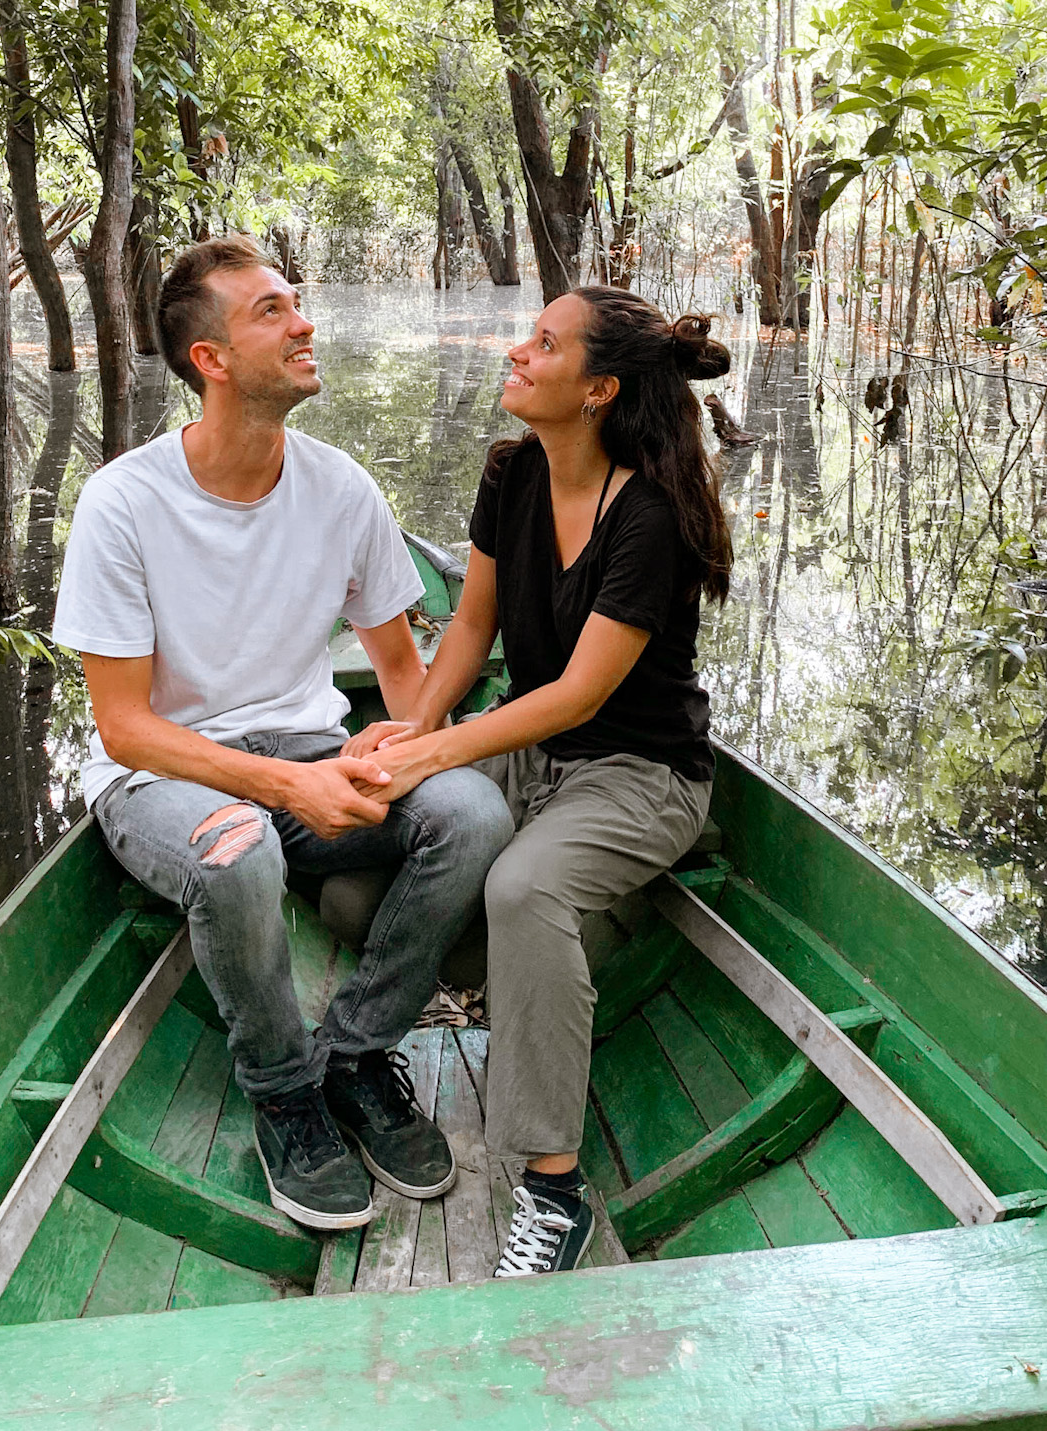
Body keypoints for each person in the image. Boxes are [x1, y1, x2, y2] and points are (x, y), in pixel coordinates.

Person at [52, 236, 514, 1233]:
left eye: (297, 302)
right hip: (169, 776)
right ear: (210, 359)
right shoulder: (123, 503)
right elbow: (124, 726)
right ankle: (283, 1089)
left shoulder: (339, 485)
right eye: (272, 310)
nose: (305, 322)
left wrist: (404, 747)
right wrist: (280, 786)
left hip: (309, 750)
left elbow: (399, 671)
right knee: (237, 851)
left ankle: (354, 1053)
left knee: (473, 812)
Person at [346, 285, 732, 1276]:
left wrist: (433, 753)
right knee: (352, 883)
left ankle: (553, 1188)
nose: (518, 350)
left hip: (639, 770)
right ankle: (505, 986)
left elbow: (573, 693)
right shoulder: (511, 474)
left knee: (524, 886)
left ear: (598, 387)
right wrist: (415, 723)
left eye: (545, 342)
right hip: (529, 756)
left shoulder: (648, 516)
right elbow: (471, 626)